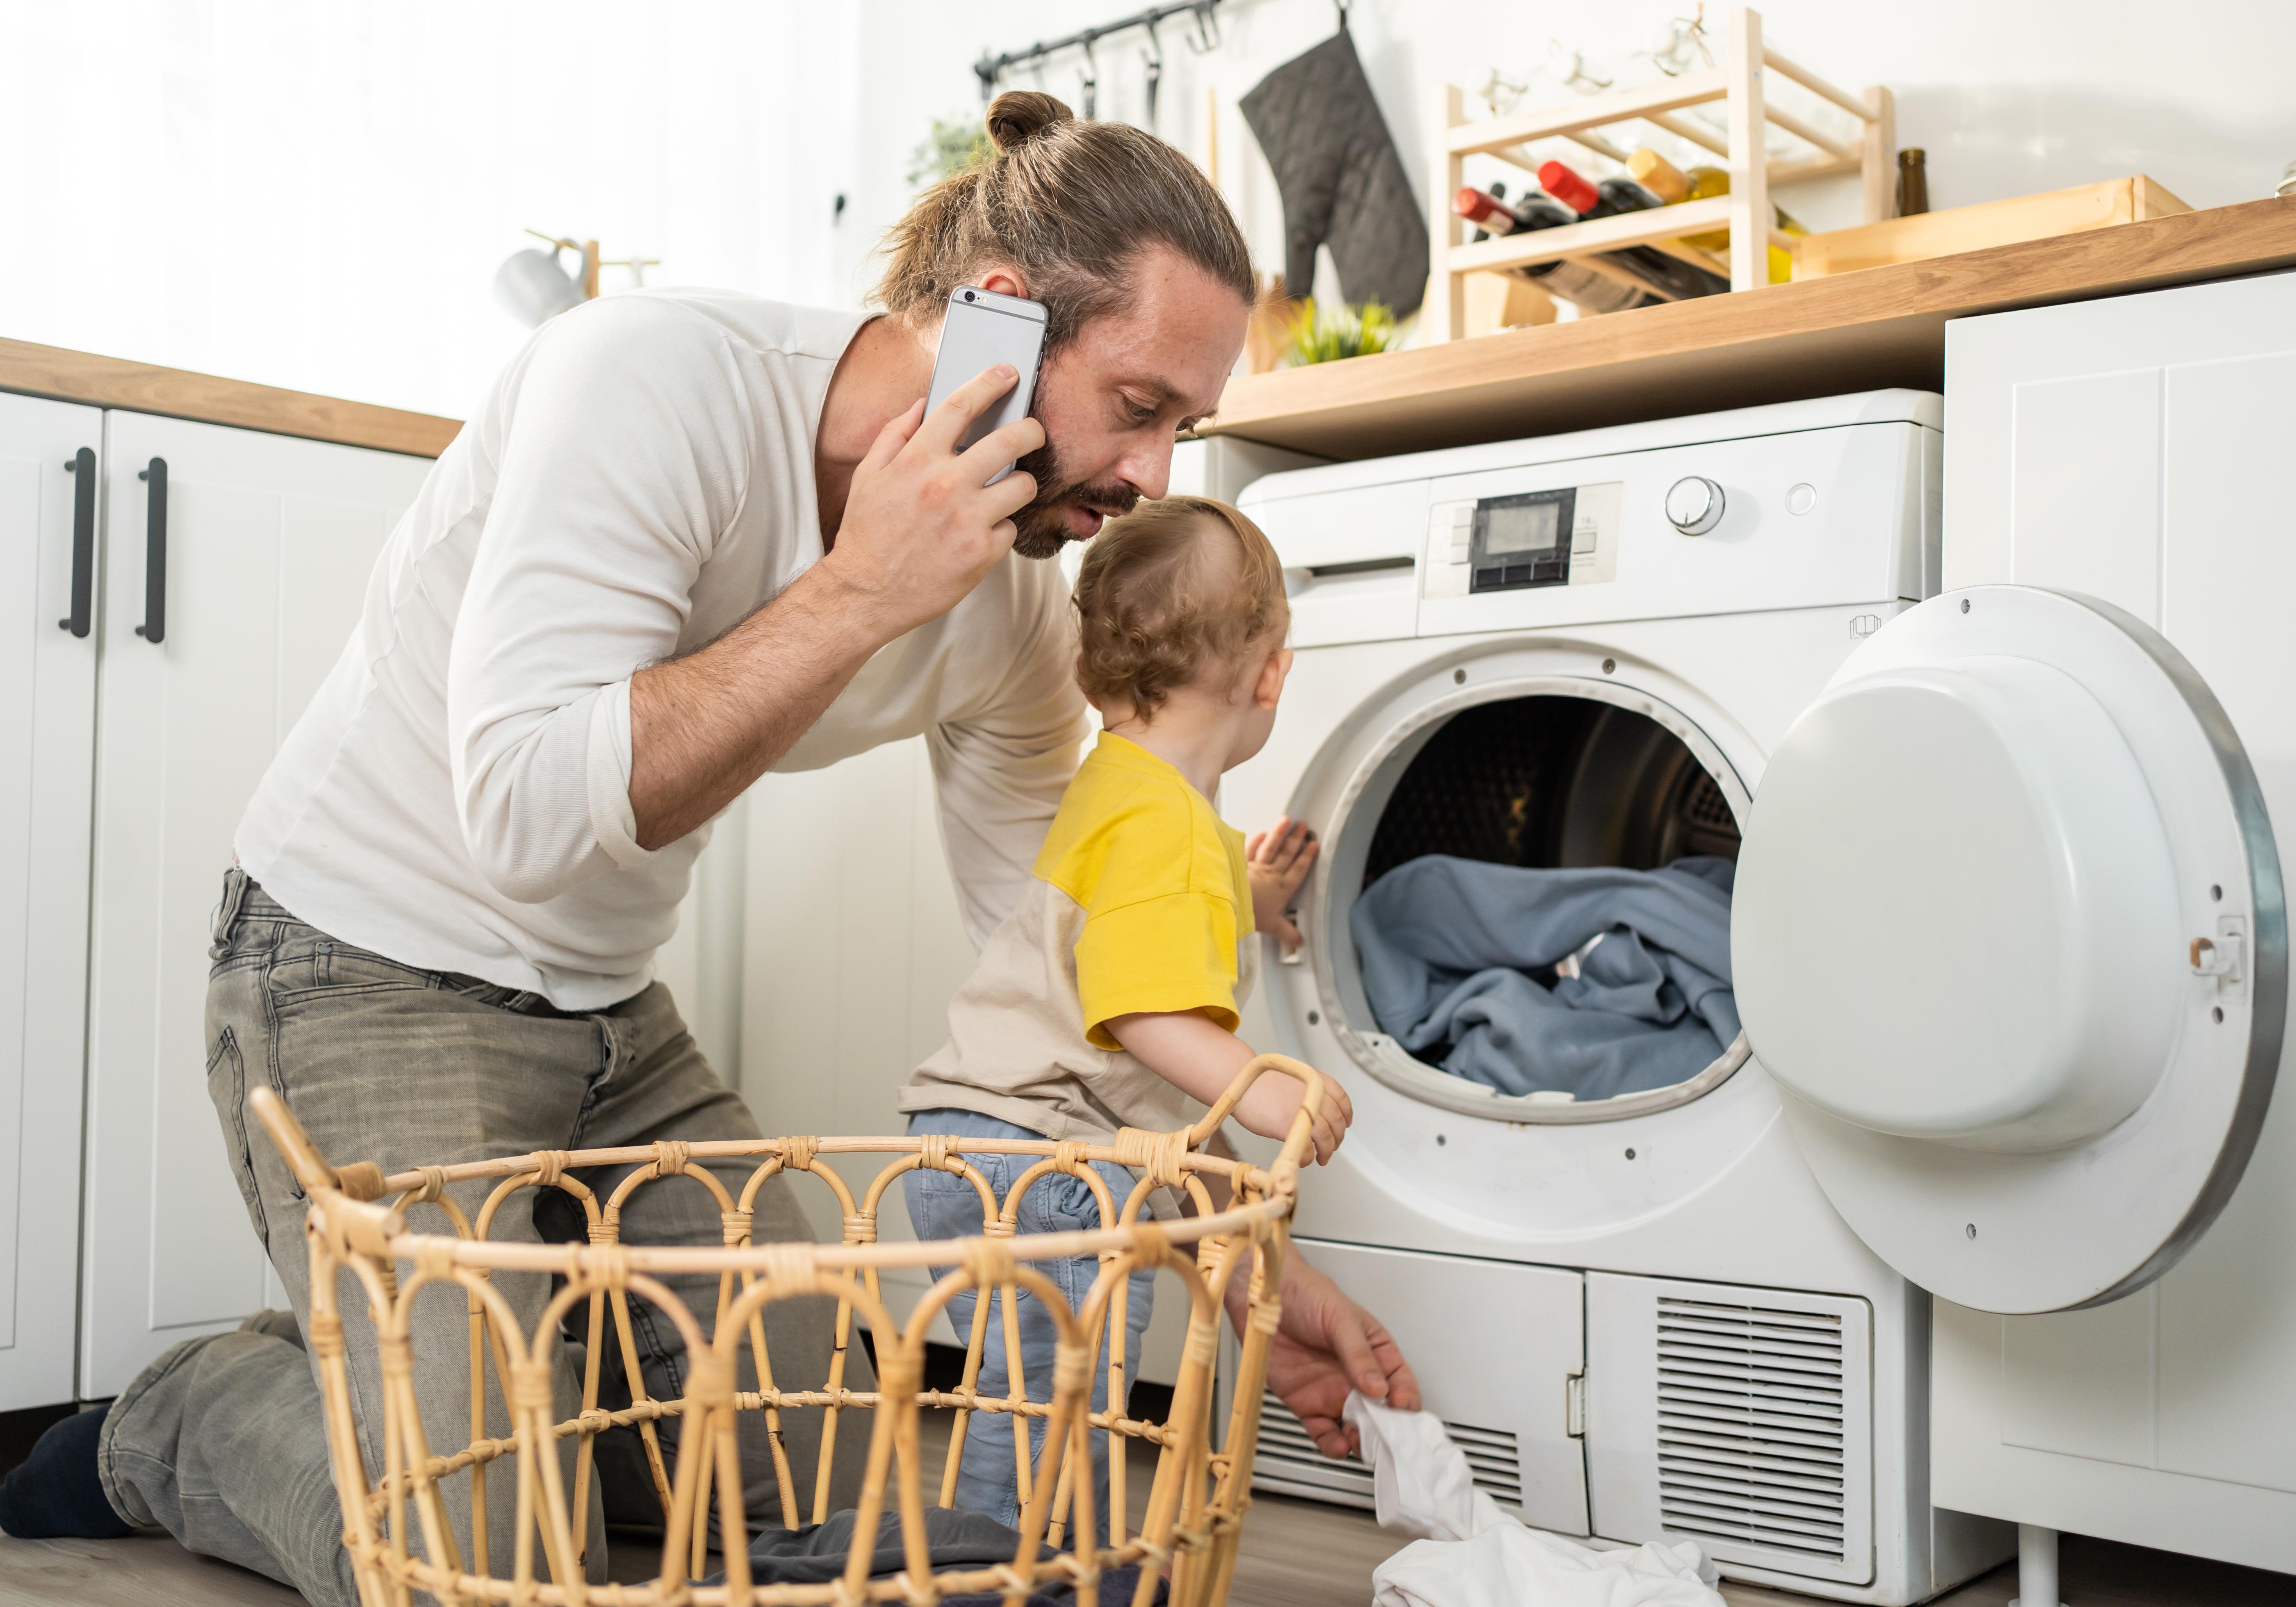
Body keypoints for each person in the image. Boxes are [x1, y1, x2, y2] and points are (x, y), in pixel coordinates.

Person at [0, 88, 1417, 1603]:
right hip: (355, 968)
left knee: (804, 1477)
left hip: (610, 1025)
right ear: (999, 322)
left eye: (1183, 430)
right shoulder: (654, 379)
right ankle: (186, 1414)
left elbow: (1058, 972)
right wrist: (864, 587)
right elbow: (533, 816)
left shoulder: (1011, 612)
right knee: (477, 1556)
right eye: (1139, 409)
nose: (1153, 481)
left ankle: (468, 1379)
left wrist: (1244, 1277)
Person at [902, 495, 1351, 1530]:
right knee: (1059, 1433)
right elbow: (1144, 1005)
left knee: (1028, 1411)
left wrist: (1257, 901)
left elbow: (1144, 920)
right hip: (1046, 1161)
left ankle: (1024, 1575)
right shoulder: (1175, 832)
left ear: (1092, 669)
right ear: (1271, 672)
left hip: (972, 1141)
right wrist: (1265, 1084)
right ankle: (1027, 1589)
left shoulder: (1120, 787)